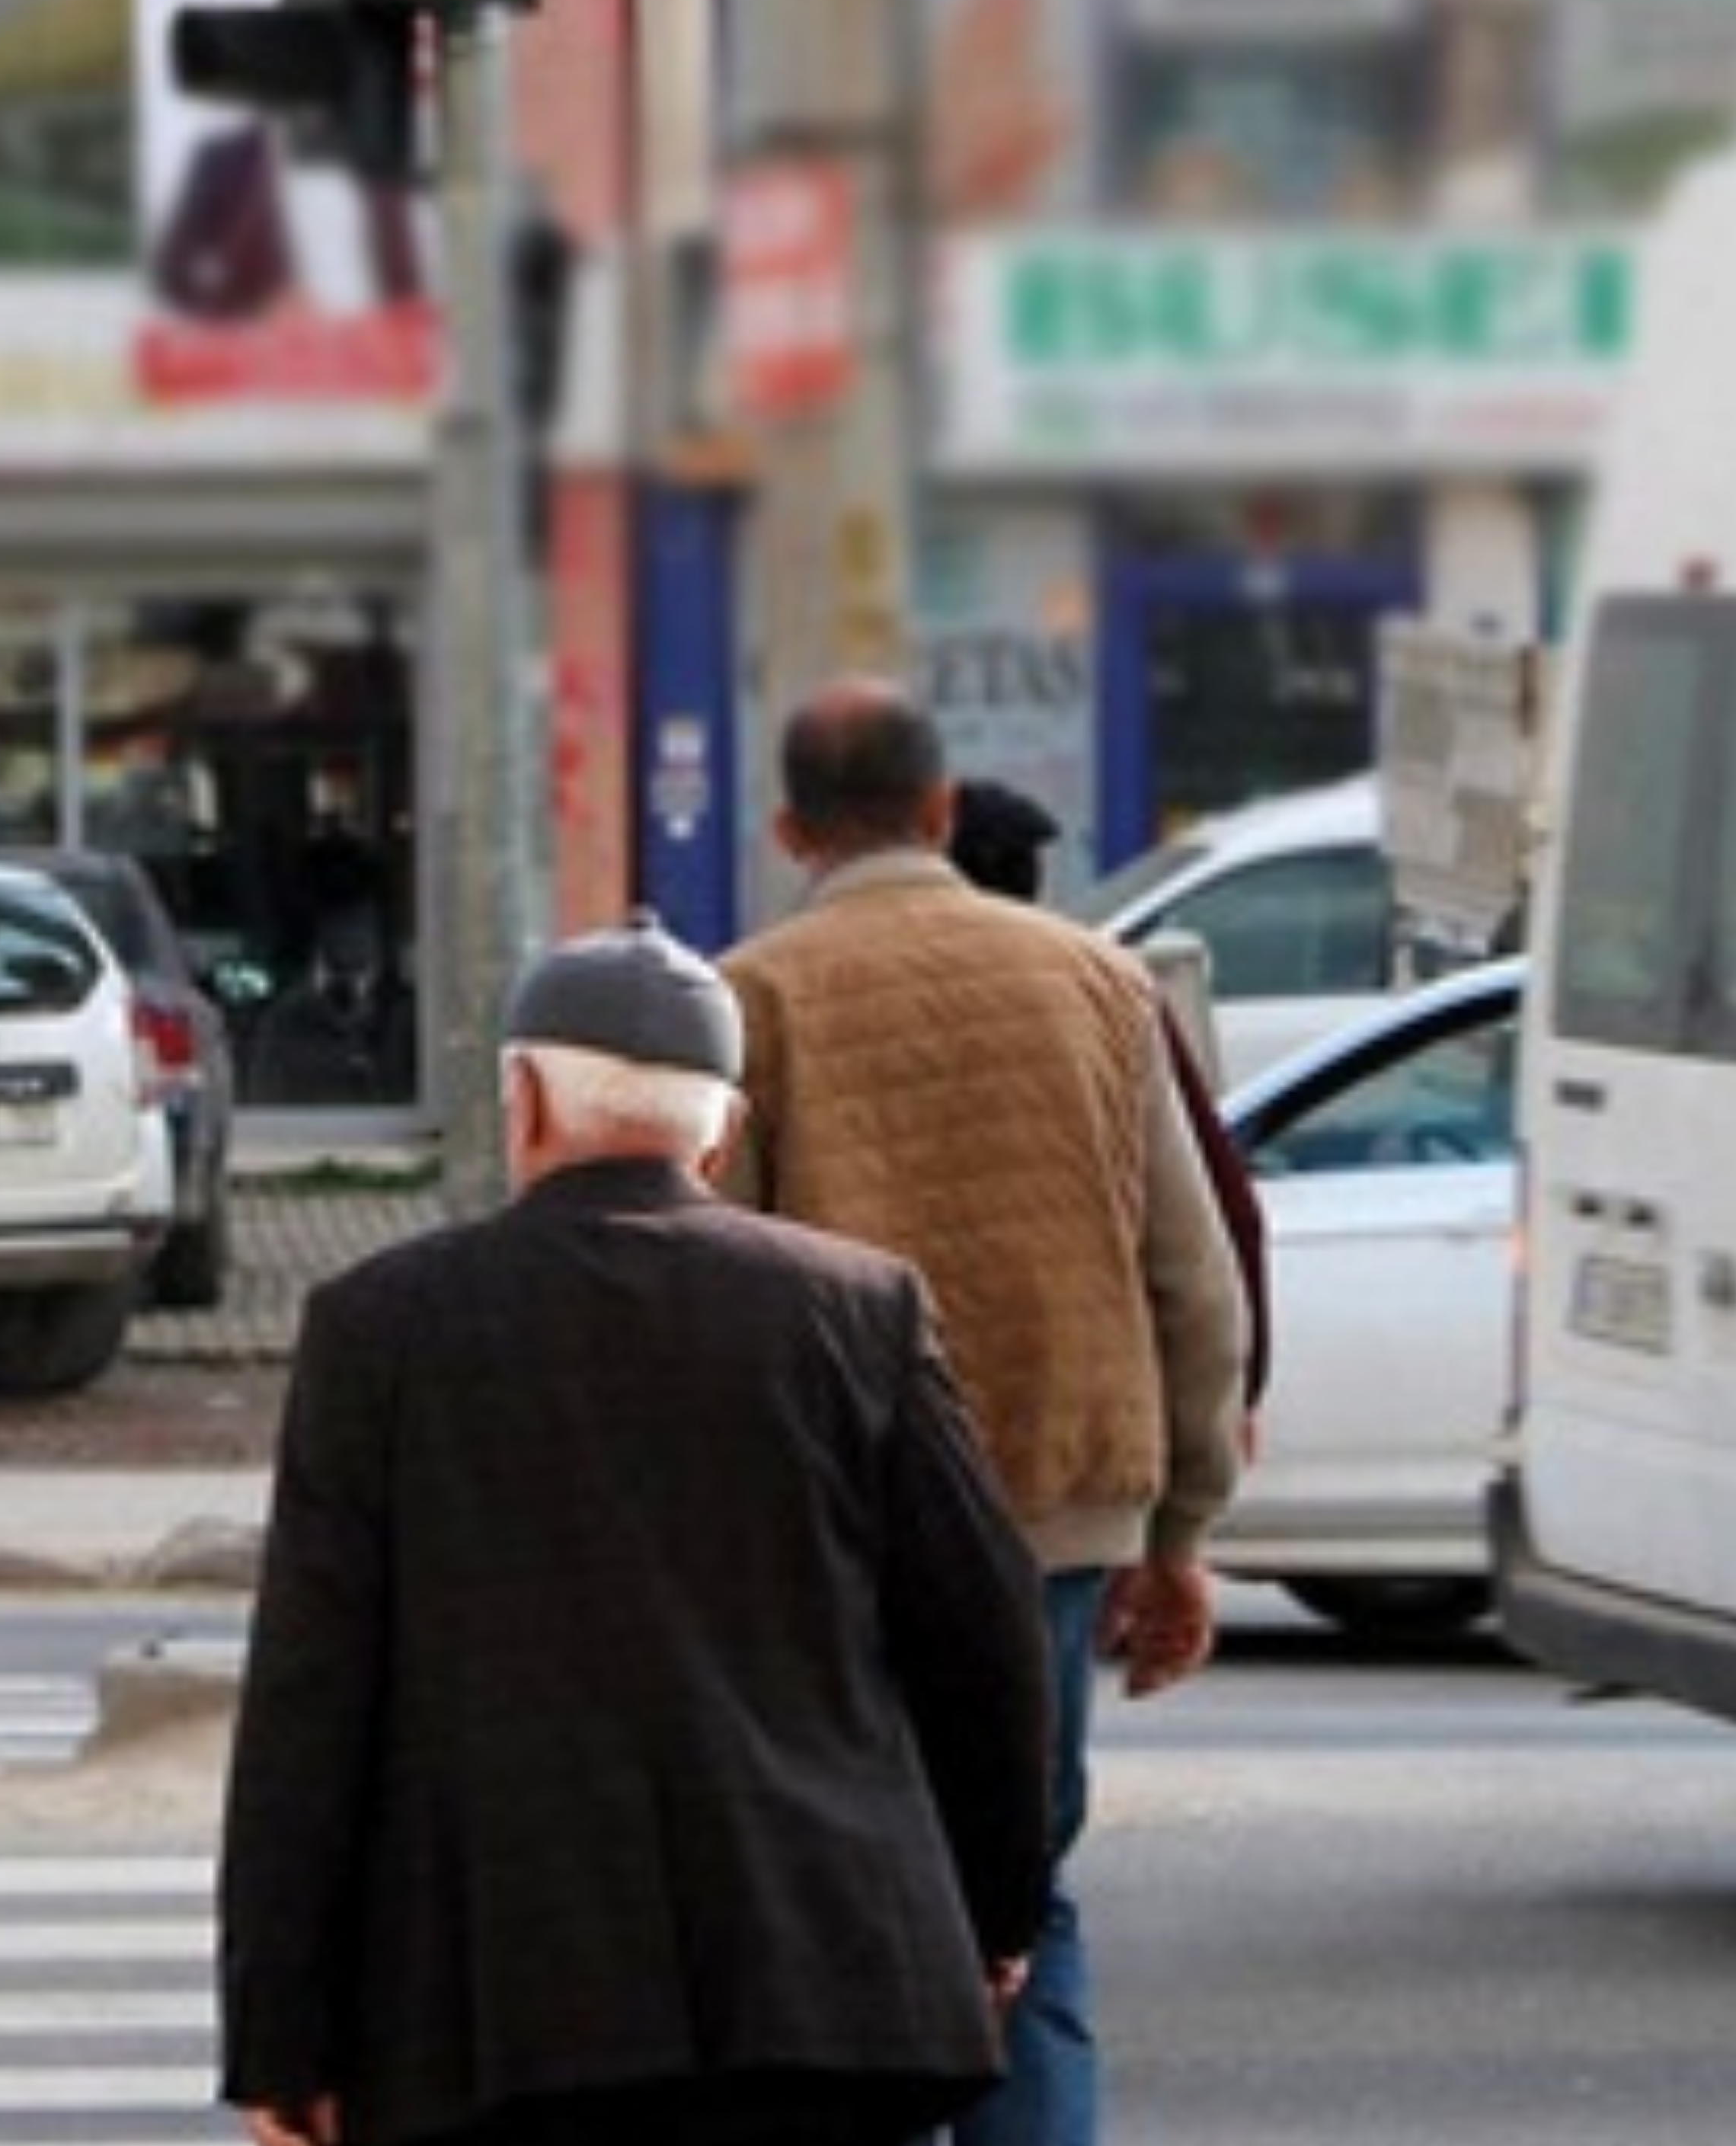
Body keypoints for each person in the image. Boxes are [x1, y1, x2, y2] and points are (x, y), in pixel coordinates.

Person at [221, 919, 1055, 2146]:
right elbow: (986, 1641)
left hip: (499, 2005)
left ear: (526, 1104)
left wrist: (281, 2035)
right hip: (821, 1981)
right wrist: (992, 1918)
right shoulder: (858, 1308)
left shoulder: (384, 1327)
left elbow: (312, 1697)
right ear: (720, 1128)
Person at [720, 684, 1251, 2146]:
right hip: (1055, 1512)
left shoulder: (752, 998)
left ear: (787, 829)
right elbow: (1193, 1282)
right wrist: (1183, 1531)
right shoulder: (1095, 981)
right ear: (945, 810)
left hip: (846, 1535)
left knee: (858, 1900)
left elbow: (722, 1295)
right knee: (1025, 1884)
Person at [950, 776, 1276, 1420]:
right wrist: (1232, 1402)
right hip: (1084, 1423)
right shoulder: (1108, 996)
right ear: (1035, 883)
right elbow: (1219, 1219)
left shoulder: (810, 994)